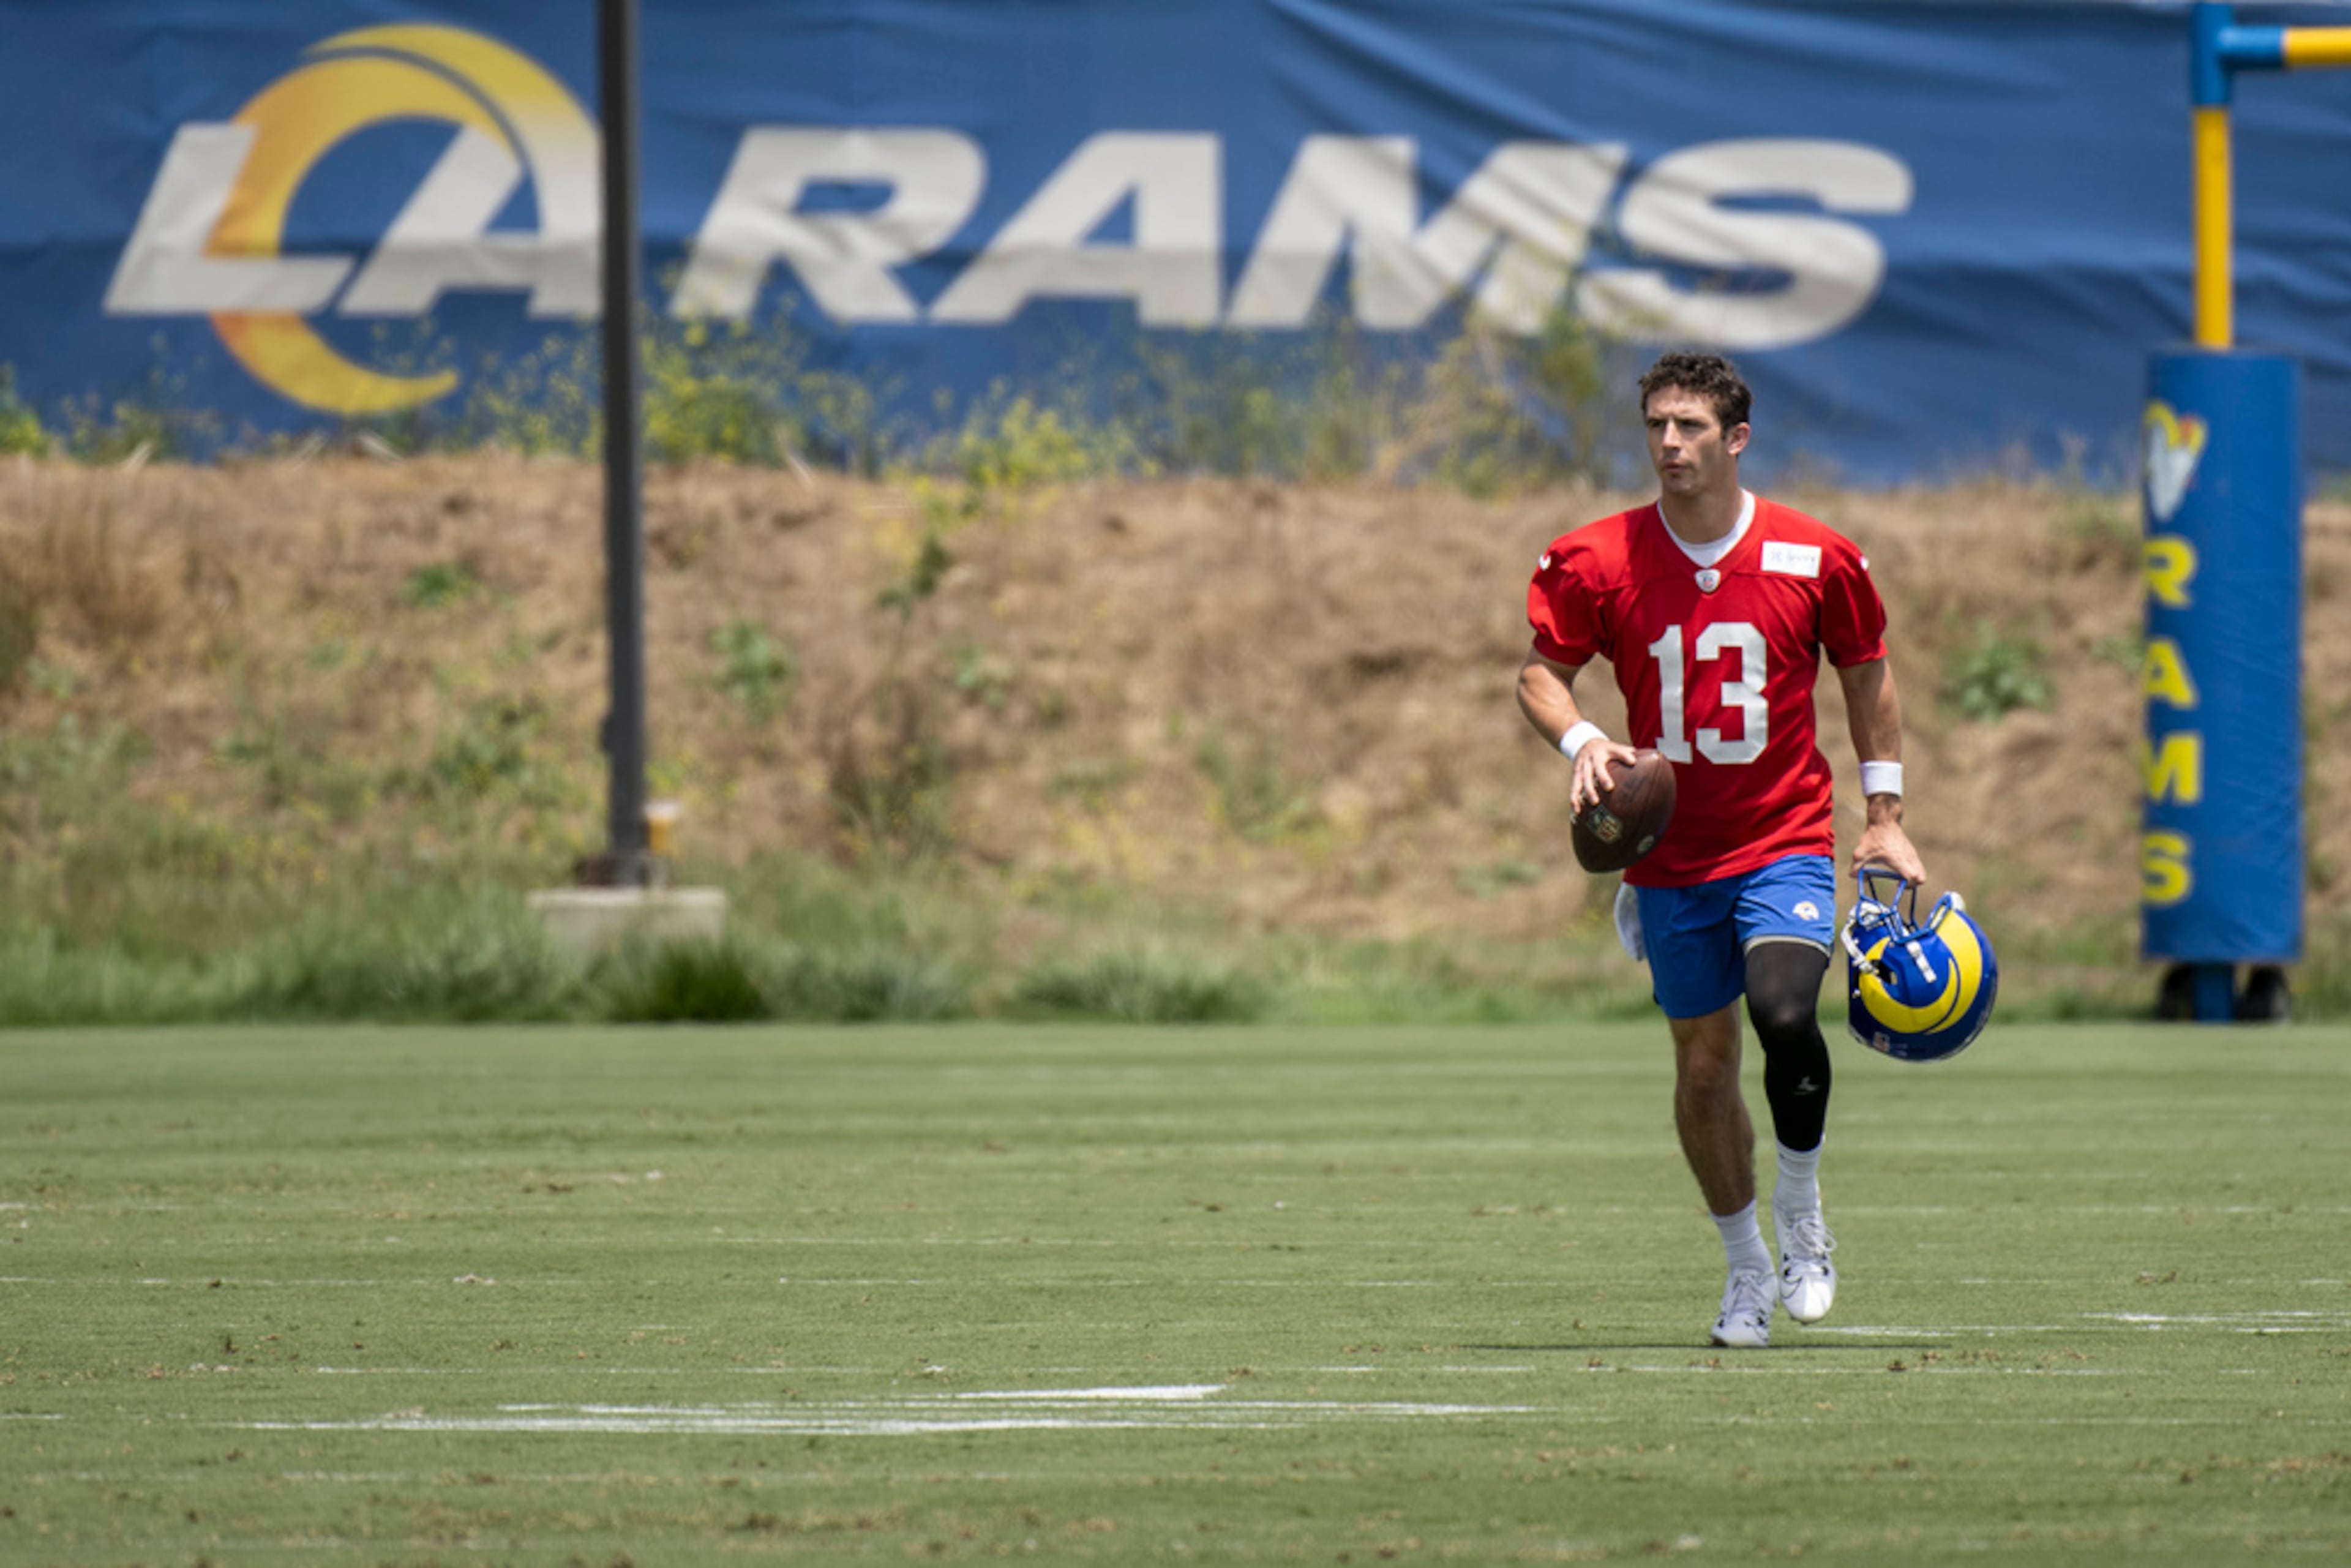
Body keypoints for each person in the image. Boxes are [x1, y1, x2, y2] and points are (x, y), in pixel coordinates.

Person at [1516, 351, 1924, 1349]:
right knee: (1703, 1065)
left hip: (1780, 835)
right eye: (1658, 424)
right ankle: (1745, 1268)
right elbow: (1539, 675)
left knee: (1785, 1011)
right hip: (1670, 856)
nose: (1670, 443)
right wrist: (1585, 740)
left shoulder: (1815, 554)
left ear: (1736, 438)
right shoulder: (1597, 557)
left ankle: (1801, 1209)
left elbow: (1866, 676)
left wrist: (1884, 812)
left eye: (1691, 426)